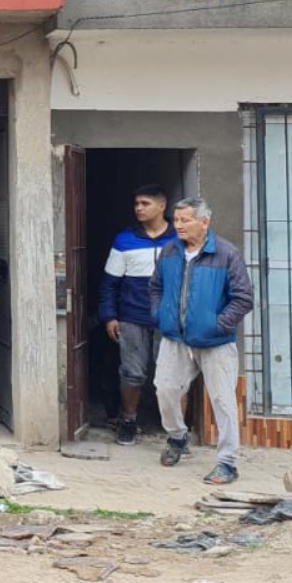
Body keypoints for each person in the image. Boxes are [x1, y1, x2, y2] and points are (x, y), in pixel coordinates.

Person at [147, 197, 254, 485]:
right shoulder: (169, 251)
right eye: (177, 220)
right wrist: (160, 314)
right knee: (165, 390)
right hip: (176, 338)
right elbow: (155, 287)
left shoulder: (226, 254)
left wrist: (218, 325)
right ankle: (178, 436)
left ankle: (227, 462)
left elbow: (243, 299)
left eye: (185, 220)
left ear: (204, 222)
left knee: (223, 400)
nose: (178, 226)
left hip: (216, 342)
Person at [97, 183, 177, 445]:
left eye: (145, 203)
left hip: (169, 318)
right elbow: (110, 283)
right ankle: (128, 421)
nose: (139, 209)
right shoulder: (125, 240)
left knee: (172, 375)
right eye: (136, 204)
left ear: (162, 206)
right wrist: (109, 316)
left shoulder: (179, 239)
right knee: (132, 372)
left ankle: (177, 431)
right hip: (132, 317)